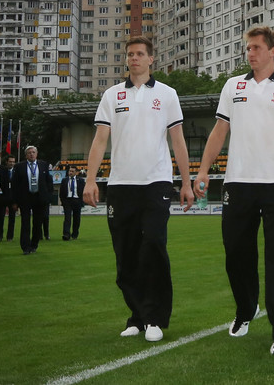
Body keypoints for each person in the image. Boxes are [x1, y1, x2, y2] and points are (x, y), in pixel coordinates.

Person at [83, 36, 194, 343]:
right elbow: (100, 140)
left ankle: (155, 318)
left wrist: (185, 182)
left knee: (154, 246)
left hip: (156, 182)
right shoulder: (112, 95)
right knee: (126, 255)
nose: (134, 58)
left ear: (150, 60)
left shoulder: (168, 94)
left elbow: (178, 141)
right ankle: (137, 315)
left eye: (140, 54)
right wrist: (91, 180)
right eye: (130, 54)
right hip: (120, 185)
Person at [195, 26, 274, 356]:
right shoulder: (232, 86)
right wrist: (202, 170)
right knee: (236, 253)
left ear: (273, 51)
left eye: (256, 48)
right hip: (237, 182)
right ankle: (246, 308)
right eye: (247, 48)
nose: (249, 53)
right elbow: (219, 131)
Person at [12, 145, 54, 255]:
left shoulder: (43, 165)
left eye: (33, 152)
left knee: (37, 223)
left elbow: (49, 182)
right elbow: (15, 184)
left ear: (37, 154)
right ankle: (25, 247)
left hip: (39, 198)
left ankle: (34, 245)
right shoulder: (19, 166)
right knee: (25, 223)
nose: (31, 154)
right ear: (26, 155)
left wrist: (48, 197)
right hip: (25, 198)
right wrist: (15, 201)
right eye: (29, 152)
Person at [60, 165, 85, 241]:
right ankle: (66, 234)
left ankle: (75, 234)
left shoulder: (80, 180)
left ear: (76, 172)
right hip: (67, 201)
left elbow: (83, 192)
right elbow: (61, 193)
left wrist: (81, 202)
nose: (70, 172)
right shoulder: (64, 180)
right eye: (69, 171)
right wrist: (63, 202)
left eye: (72, 171)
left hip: (77, 200)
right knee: (67, 218)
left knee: (76, 219)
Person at [4, 155, 18, 241]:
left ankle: (10, 237)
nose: (12, 163)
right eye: (10, 162)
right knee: (0, 218)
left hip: (13, 199)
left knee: (12, 219)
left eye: (13, 162)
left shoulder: (16, 172)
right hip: (3, 198)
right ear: (7, 162)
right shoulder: (3, 171)